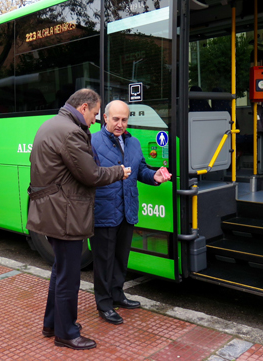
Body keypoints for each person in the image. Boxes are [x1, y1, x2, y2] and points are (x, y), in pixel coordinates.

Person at [26, 89, 130, 350]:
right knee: (68, 277)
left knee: (59, 272)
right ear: (84, 107)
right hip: (64, 214)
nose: (95, 120)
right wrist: (118, 171)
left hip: (52, 211)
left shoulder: (51, 124)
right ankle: (66, 333)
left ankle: (51, 324)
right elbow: (91, 175)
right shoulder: (70, 132)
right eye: (95, 114)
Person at [90, 100, 171, 325]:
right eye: (115, 119)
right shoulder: (92, 141)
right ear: (104, 118)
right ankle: (104, 304)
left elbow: (141, 169)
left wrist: (154, 177)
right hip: (104, 211)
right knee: (104, 261)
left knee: (120, 258)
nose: (120, 124)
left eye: (124, 119)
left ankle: (117, 295)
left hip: (127, 210)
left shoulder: (133, 143)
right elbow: (88, 174)